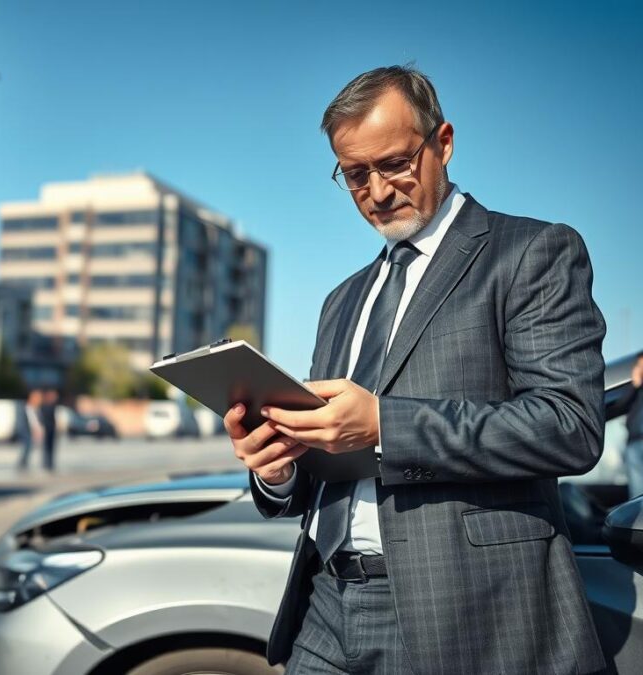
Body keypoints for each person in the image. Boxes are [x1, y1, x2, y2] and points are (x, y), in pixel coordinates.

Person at [225, 65, 607, 674]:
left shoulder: (531, 253)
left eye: (395, 163)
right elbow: (324, 465)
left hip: (462, 615)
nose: (377, 192)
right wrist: (277, 468)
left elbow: (569, 425)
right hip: (324, 607)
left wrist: (384, 426)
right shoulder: (341, 300)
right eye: (355, 174)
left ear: (444, 142)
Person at [611, 353, 643, 496]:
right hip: (634, 442)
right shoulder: (634, 391)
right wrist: (634, 386)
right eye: (639, 364)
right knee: (636, 492)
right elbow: (618, 406)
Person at [17, 390, 43, 471]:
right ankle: (22, 464)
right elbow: (31, 421)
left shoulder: (36, 409)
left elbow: (36, 421)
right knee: (27, 447)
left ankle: (24, 463)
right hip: (25, 431)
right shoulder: (26, 407)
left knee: (28, 447)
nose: (39, 400)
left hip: (30, 431)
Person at [39, 389, 59, 472]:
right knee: (46, 447)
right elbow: (42, 418)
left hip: (52, 429)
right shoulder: (43, 406)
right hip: (46, 428)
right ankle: (45, 463)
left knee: (51, 447)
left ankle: (50, 463)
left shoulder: (53, 406)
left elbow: (54, 418)